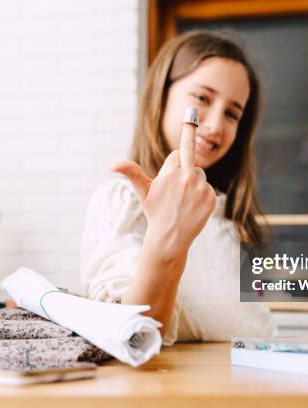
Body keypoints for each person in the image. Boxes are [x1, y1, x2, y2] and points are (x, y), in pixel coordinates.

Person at [80, 31, 275, 345]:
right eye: (202, 98)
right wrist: (168, 238)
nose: (213, 126)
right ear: (161, 94)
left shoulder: (229, 214)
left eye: (232, 113)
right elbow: (132, 333)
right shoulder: (121, 202)